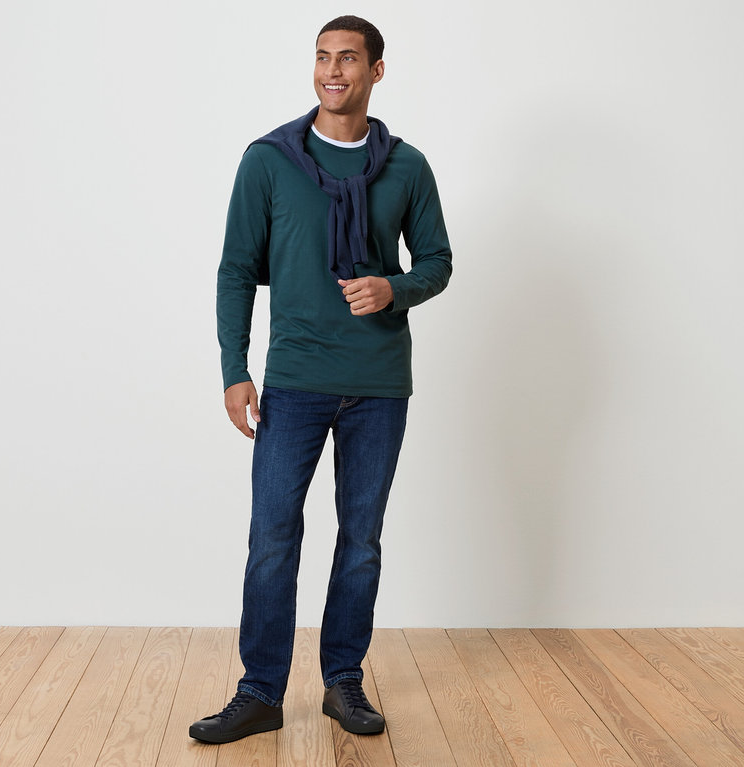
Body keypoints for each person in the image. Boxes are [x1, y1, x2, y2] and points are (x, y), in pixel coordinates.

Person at [190, 15, 452, 744]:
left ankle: (343, 682)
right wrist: (233, 369)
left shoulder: (407, 166)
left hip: (379, 384)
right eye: (322, 57)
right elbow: (237, 268)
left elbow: (436, 260)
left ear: (376, 71)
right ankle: (260, 691)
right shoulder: (270, 160)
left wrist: (393, 289)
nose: (333, 70)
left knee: (361, 538)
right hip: (295, 380)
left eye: (348, 58)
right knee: (272, 534)